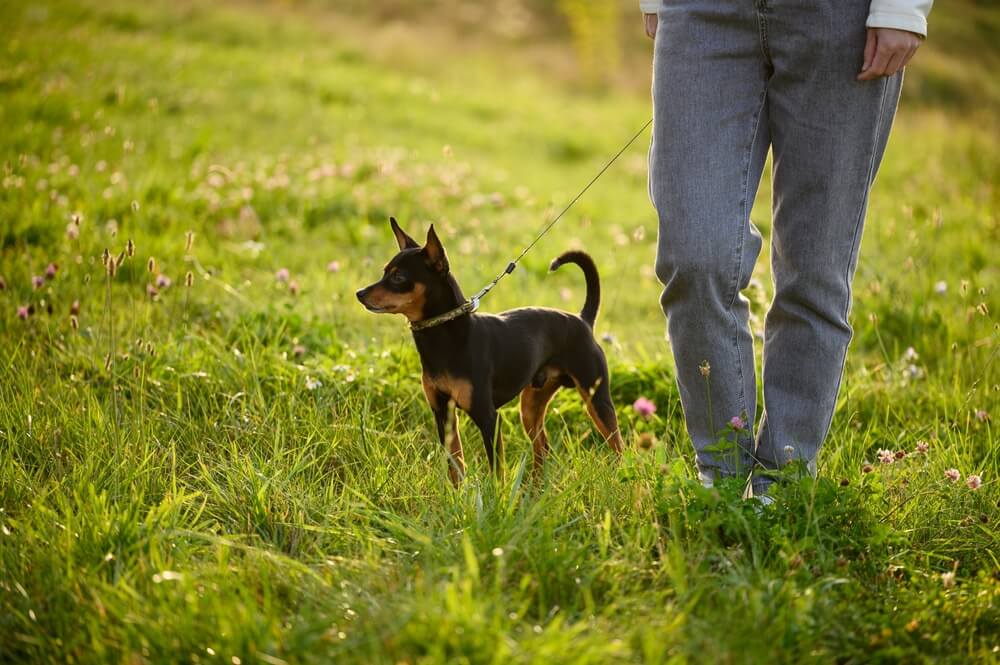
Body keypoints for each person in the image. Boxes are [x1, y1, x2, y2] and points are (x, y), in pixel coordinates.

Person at [641, 0, 932, 499]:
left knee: (814, 268)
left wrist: (902, 6)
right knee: (694, 254)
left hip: (839, 19)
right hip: (703, 14)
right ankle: (722, 478)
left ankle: (783, 484)